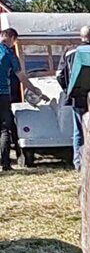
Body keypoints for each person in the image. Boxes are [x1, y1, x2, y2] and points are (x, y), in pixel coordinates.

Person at [0, 27, 45, 171]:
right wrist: (36, 91)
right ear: (12, 38)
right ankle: (5, 163)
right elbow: (21, 77)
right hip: (3, 93)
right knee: (4, 129)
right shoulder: (10, 55)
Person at [56, 23, 90, 169]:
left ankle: (78, 162)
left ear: (81, 36)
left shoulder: (69, 52)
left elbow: (59, 75)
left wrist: (68, 89)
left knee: (78, 130)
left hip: (76, 96)